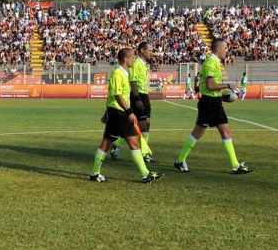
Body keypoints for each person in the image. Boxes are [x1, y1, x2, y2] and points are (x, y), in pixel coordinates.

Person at [174, 39, 255, 174]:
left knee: (226, 131)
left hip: (215, 102)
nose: (227, 51)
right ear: (218, 49)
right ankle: (180, 160)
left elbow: (211, 88)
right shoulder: (211, 63)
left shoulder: (215, 62)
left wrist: (224, 97)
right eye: (225, 48)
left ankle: (235, 165)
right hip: (208, 104)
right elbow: (210, 86)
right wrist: (229, 86)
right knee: (198, 132)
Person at [90, 48, 164, 184]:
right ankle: (95, 173)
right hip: (118, 113)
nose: (134, 60)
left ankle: (146, 174)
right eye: (132, 58)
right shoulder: (118, 74)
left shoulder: (124, 73)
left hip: (122, 113)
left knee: (134, 143)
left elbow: (113, 95)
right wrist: (129, 111)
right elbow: (117, 96)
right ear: (126, 59)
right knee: (106, 144)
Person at [110, 42, 154, 162]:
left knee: (146, 124)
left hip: (144, 95)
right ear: (141, 50)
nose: (151, 53)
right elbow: (133, 81)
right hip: (138, 95)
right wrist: (138, 98)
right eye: (149, 50)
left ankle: (117, 144)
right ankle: (143, 153)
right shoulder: (136, 63)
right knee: (141, 125)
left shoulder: (143, 64)